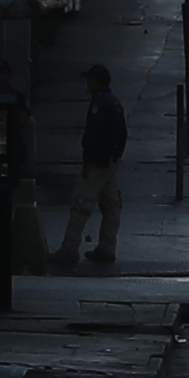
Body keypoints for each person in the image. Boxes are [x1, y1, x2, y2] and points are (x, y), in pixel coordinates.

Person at [63, 64, 131, 267]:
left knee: (81, 203)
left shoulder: (100, 104)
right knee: (111, 205)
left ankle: (69, 248)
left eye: (90, 80)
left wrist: (89, 159)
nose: (87, 84)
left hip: (98, 161)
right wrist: (116, 156)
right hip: (109, 160)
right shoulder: (114, 102)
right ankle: (107, 247)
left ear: (98, 81)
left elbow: (93, 134)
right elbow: (122, 133)